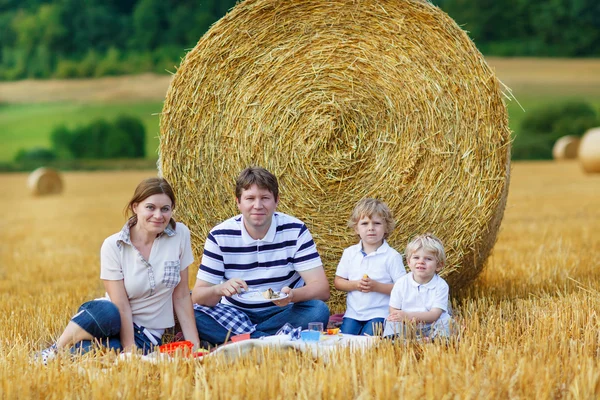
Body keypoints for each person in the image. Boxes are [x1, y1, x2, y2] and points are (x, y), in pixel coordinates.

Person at [34, 178, 200, 364]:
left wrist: (195, 346)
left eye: (165, 209)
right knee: (107, 311)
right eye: (150, 207)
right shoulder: (113, 245)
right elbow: (121, 304)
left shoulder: (180, 235)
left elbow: (182, 295)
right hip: (113, 319)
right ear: (135, 207)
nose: (158, 215)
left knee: (101, 352)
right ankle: (54, 350)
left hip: (146, 335)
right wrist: (130, 350)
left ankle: (76, 347)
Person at [191, 166, 330, 345]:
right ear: (238, 202)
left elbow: (321, 289)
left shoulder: (295, 230)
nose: (258, 205)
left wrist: (292, 295)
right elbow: (199, 295)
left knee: (318, 311)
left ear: (276, 201)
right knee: (193, 312)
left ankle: (244, 341)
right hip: (235, 314)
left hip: (283, 312)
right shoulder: (220, 235)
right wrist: (219, 289)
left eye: (265, 198)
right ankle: (273, 341)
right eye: (250, 198)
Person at [333, 198, 406, 336]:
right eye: (365, 223)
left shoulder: (391, 256)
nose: (371, 228)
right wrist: (355, 285)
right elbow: (338, 282)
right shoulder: (349, 253)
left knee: (367, 343)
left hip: (380, 313)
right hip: (353, 314)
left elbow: (402, 288)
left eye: (377, 223)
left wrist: (376, 287)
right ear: (356, 228)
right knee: (344, 344)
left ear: (386, 228)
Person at [383, 233, 452, 341]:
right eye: (416, 257)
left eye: (428, 259)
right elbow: (393, 308)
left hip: (431, 325)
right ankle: (395, 340)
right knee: (391, 321)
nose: (421, 262)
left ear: (439, 265)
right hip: (407, 325)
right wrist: (401, 317)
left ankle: (436, 340)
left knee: (446, 321)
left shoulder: (441, 285)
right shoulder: (401, 283)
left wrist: (408, 315)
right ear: (409, 262)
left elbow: (434, 315)